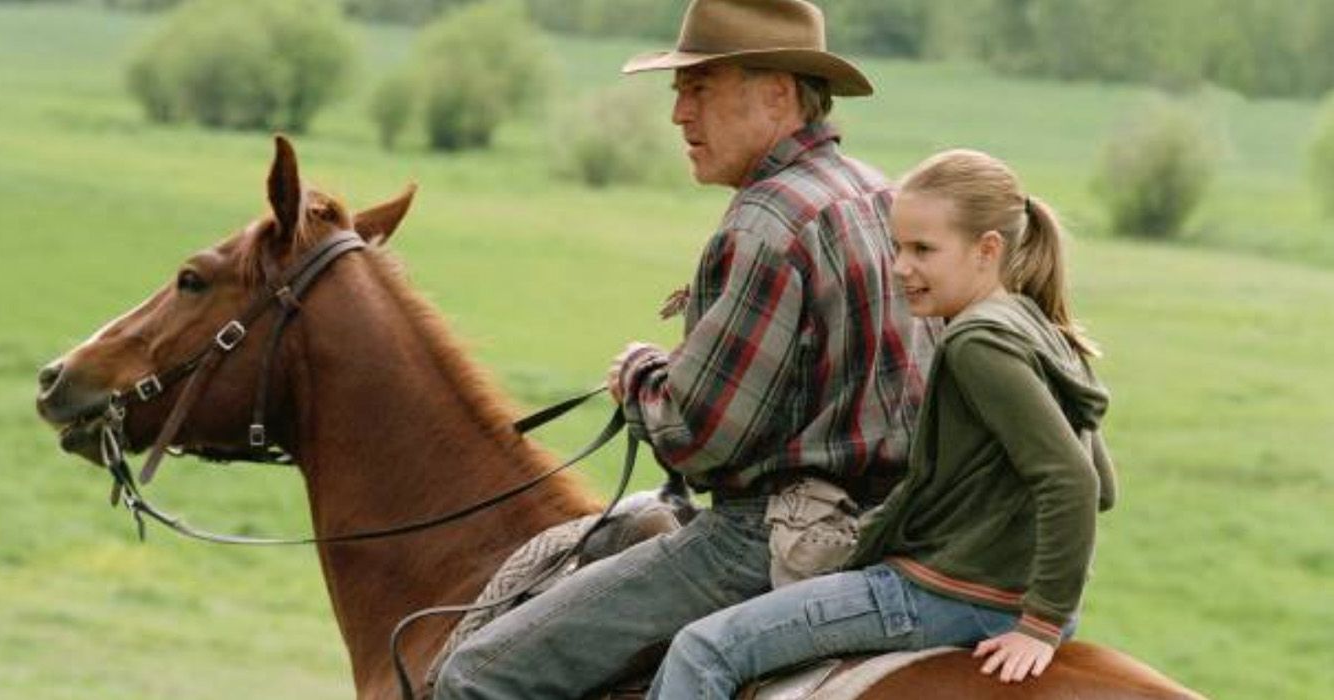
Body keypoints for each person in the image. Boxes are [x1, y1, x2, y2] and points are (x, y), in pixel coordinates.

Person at [430, 1, 934, 697]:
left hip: (762, 539)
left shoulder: (767, 219)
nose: (678, 115)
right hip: (891, 526)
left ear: (777, 94)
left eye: (699, 88)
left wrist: (639, 375)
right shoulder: (878, 189)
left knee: (475, 676)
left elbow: (700, 438)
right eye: (678, 92)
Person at [645, 149, 1119, 698]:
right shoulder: (1040, 327)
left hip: (949, 597)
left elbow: (1072, 481)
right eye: (897, 247)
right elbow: (1102, 482)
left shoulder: (975, 341)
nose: (900, 267)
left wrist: (1040, 624)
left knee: (704, 649)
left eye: (923, 249)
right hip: (1001, 594)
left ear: (988, 250)